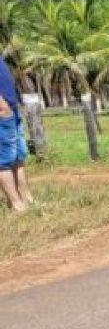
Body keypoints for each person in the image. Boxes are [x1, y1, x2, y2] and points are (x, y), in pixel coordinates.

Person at [0, 57, 34, 213]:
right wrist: (3, 108)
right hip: (4, 112)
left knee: (18, 157)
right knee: (4, 161)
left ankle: (27, 199)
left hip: (12, 110)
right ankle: (16, 205)